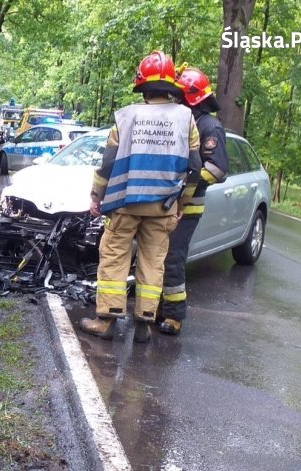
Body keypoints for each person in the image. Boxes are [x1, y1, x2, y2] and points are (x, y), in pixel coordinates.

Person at [80, 51, 202, 343]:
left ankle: (106, 320)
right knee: (153, 262)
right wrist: (180, 204)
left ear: (142, 85)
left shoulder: (126, 116)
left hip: (125, 203)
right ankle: (145, 323)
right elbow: (195, 167)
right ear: (170, 85)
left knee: (114, 257)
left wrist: (96, 195)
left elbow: (108, 164)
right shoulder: (186, 119)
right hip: (162, 207)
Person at [157, 66, 229, 335]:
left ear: (191, 98)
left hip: (187, 206)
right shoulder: (180, 120)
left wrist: (186, 183)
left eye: (180, 96)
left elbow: (217, 169)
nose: (176, 100)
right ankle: (156, 308)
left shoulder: (210, 126)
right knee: (157, 255)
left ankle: (174, 315)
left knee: (172, 257)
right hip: (165, 202)